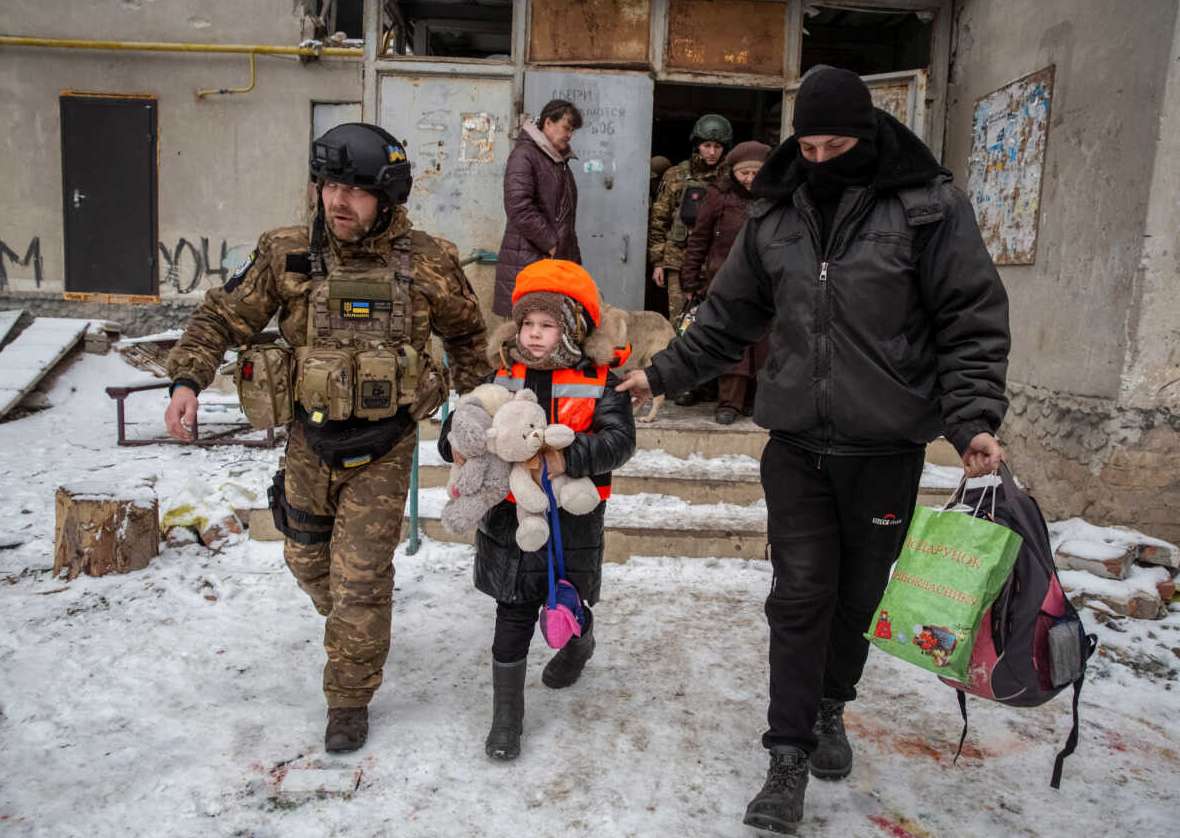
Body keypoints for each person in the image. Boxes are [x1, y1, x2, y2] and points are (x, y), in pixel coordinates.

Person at [616, 66, 1010, 832]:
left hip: (886, 446)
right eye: (811, 144)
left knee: (858, 600)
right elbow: (728, 317)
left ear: (868, 137)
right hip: (796, 443)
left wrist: (972, 420)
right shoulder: (776, 216)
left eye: (839, 145)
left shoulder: (929, 209)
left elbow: (970, 320)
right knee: (799, 597)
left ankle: (833, 705)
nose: (823, 160)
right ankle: (787, 755)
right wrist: (663, 372)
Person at [164, 123, 490, 754]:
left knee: (362, 581)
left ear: (387, 196)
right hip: (307, 441)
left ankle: (348, 699)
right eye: (329, 186)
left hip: (386, 444)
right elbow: (221, 315)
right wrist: (187, 378)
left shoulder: (429, 260)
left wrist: (471, 413)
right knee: (306, 559)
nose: (339, 201)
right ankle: (351, 625)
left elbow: (471, 340)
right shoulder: (285, 252)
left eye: (356, 190)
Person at [438, 259, 635, 761]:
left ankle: (578, 641)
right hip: (508, 513)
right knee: (513, 608)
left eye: (547, 325)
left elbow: (619, 441)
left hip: (573, 515)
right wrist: (454, 446)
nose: (534, 334)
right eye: (527, 323)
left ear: (571, 328)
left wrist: (564, 456)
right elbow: (459, 430)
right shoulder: (498, 377)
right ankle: (507, 720)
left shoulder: (600, 380)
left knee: (566, 597)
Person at [678, 140, 771, 425]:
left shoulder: (777, 196)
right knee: (731, 341)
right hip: (725, 281)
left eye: (756, 172)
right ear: (733, 171)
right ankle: (729, 402)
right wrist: (690, 278)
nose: (749, 179)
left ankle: (755, 399)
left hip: (767, 282)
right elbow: (699, 239)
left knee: (764, 344)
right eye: (744, 173)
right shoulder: (718, 196)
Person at [493, 100, 584, 317]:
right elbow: (519, 206)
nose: (569, 135)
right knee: (526, 337)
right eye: (566, 128)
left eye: (572, 130)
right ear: (548, 123)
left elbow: (565, 220)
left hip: (550, 264)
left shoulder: (558, 161)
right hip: (529, 261)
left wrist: (572, 261)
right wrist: (552, 244)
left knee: (548, 336)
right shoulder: (526, 155)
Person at [647, 114, 733, 327]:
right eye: (707, 145)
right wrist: (658, 262)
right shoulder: (675, 175)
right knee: (680, 323)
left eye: (718, 146)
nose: (712, 152)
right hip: (679, 262)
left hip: (718, 264)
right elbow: (659, 220)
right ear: (697, 145)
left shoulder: (732, 178)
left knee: (717, 323)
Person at [644, 155, 673, 317]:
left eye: (655, 180)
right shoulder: (648, 197)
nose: (652, 184)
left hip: (664, 256)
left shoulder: (667, 197)